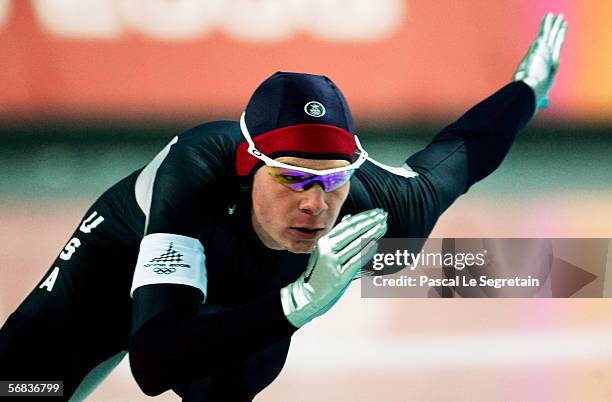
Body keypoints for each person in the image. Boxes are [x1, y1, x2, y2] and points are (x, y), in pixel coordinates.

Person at [0, 13, 567, 401]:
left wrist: (527, 87)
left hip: (239, 310)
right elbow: (151, 364)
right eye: (293, 179)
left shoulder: (379, 207)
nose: (317, 204)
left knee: (225, 384)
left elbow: (461, 154)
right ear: (247, 169)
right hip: (117, 270)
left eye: (333, 179)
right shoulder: (194, 176)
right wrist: (299, 301)